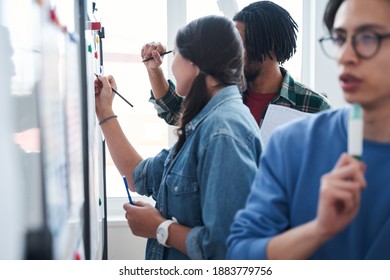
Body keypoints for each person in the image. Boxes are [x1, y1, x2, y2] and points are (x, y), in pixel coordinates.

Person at [226, 0, 390, 259]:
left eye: (367, 37)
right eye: (339, 38)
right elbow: (241, 256)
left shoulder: (313, 105)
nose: (345, 56)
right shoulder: (291, 142)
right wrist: (319, 230)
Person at [95, 15, 262, 259]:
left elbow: (227, 247)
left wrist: (159, 228)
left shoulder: (223, 132)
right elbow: (138, 176)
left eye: (176, 55)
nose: (171, 65)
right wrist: (105, 112)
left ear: (195, 63)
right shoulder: (206, 121)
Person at [141, 1, 332, 127]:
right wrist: (154, 70)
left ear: (270, 44)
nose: (230, 50)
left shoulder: (315, 106)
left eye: (238, 42)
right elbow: (176, 112)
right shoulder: (222, 94)